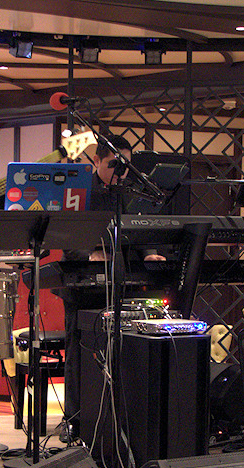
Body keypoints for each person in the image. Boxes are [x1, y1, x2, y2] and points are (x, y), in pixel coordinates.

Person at [59, 134, 165, 440]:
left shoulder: (130, 193)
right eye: (114, 164)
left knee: (125, 349)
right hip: (82, 285)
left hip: (122, 281)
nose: (122, 172)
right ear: (96, 161)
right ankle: (75, 419)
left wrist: (149, 253)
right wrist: (89, 254)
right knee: (80, 352)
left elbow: (141, 230)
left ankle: (121, 418)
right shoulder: (79, 191)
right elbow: (66, 237)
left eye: (126, 165)